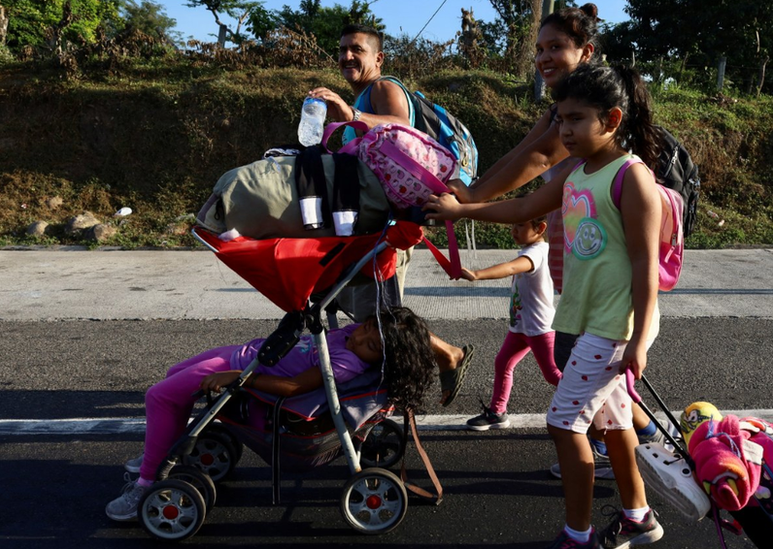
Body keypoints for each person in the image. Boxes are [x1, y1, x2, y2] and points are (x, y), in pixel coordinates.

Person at [426, 63, 670, 549]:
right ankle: (638, 517)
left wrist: (640, 340)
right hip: (581, 318)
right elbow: (522, 208)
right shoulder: (579, 172)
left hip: (612, 327)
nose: (565, 130)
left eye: (577, 119)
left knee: (563, 424)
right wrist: (463, 209)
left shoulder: (631, 178)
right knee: (613, 423)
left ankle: (576, 536)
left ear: (612, 119)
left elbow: (646, 269)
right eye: (561, 120)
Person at [448, 3, 666, 472]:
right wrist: (471, 196)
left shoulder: (597, 138)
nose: (544, 58)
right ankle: (643, 495)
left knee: (581, 408)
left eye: (556, 48)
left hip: (609, 300)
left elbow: (533, 165)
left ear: (586, 52)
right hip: (583, 287)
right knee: (611, 400)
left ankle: (661, 465)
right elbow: (523, 156)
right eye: (540, 49)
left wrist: (468, 202)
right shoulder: (565, 115)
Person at [105, 307, 436, 522]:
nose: (358, 337)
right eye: (366, 326)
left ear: (382, 360)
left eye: (371, 345)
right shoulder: (351, 338)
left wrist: (238, 378)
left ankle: (148, 482)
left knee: (159, 396)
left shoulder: (348, 363)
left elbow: (292, 387)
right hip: (242, 354)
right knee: (173, 377)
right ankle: (160, 451)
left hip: (242, 367)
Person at [307, 24, 473, 406]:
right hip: (371, 225)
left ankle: (441, 358)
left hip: (391, 227)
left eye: (356, 50)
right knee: (377, 312)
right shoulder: (364, 99)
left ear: (377, 58)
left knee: (384, 317)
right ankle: (397, 382)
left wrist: (349, 112)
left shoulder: (383, 88)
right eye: (342, 49)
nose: (347, 56)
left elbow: (399, 126)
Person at [460, 213, 562, 431]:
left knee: (553, 375)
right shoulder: (529, 250)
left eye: (520, 224)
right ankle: (497, 412)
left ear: (541, 227)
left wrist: (478, 274)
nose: (514, 230)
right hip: (521, 327)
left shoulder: (536, 253)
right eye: (513, 224)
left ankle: (591, 405)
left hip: (540, 328)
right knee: (503, 363)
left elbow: (511, 268)